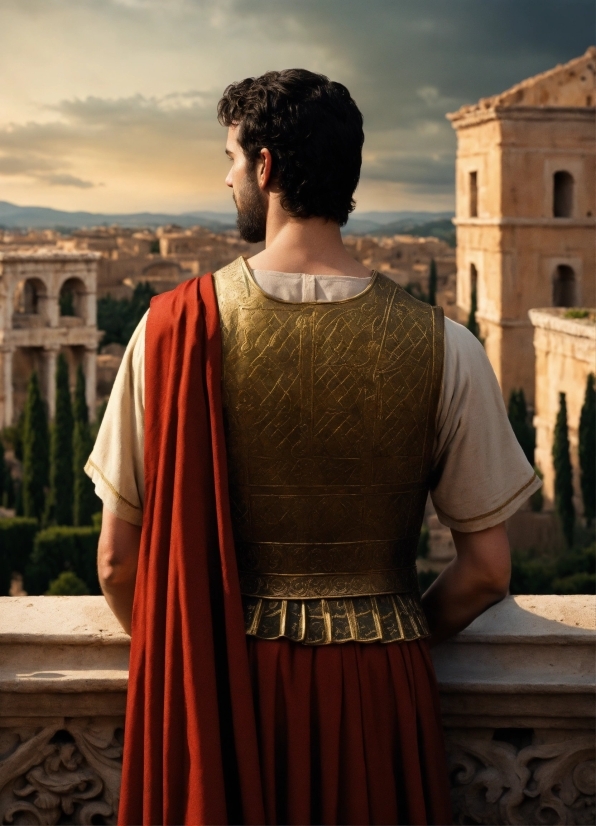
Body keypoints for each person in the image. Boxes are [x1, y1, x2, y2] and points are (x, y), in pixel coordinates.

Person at [87, 69, 541, 826]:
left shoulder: (171, 329)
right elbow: (488, 571)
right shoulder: (447, 345)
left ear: (264, 167)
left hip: (219, 693)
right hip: (381, 691)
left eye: (231, 159)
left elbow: (116, 563)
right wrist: (389, 639)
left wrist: (197, 667)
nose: (227, 177)